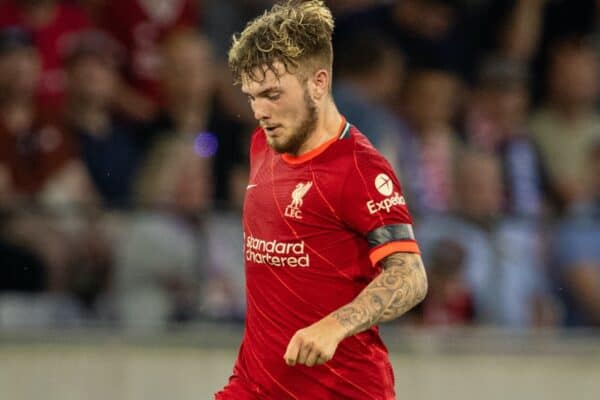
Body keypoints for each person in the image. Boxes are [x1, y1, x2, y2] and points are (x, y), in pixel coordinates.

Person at [216, 1, 428, 399]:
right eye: (253, 96)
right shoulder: (263, 144)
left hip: (342, 391)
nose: (261, 111)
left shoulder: (361, 170)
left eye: (273, 94)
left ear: (318, 83)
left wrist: (335, 325)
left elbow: (411, 276)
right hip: (254, 388)